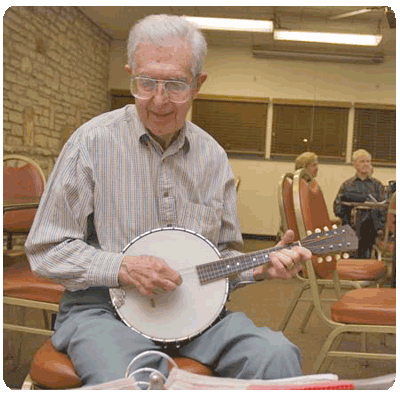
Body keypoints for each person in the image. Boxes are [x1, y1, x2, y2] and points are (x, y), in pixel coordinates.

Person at [25, 15, 311, 387]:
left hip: (194, 316)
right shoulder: (91, 143)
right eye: (146, 83)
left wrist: (258, 268)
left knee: (277, 356)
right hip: (103, 311)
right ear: (132, 75)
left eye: (175, 84)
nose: (159, 100)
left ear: (197, 84)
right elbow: (46, 250)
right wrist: (122, 267)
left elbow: (216, 262)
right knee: (137, 378)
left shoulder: (212, 158)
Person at [334, 149, 385, 259]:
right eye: (362, 161)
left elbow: (384, 208)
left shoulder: (377, 185)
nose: (366, 164)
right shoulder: (347, 185)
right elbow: (337, 208)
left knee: (367, 225)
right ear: (354, 164)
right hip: (351, 227)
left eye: (368, 161)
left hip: (372, 230)